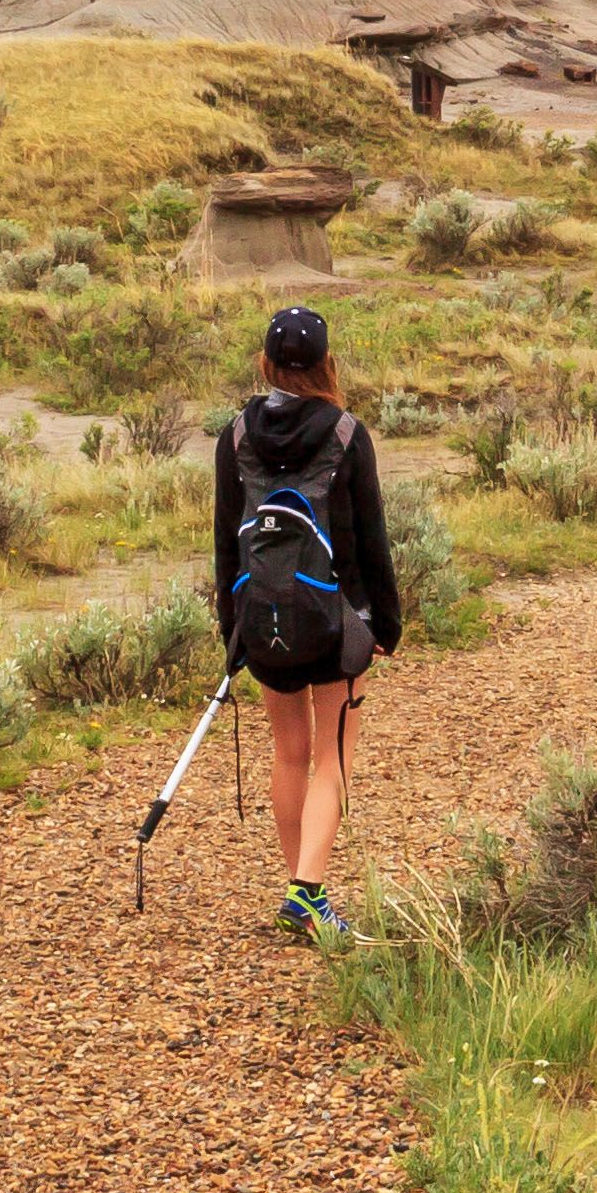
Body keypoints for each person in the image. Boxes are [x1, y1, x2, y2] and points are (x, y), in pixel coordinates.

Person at [211, 301, 400, 945]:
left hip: (262, 618)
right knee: (332, 756)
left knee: (288, 752)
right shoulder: (346, 433)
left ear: (266, 363)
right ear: (326, 364)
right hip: (335, 620)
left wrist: (231, 624)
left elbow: (224, 539)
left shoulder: (235, 434)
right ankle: (308, 892)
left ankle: (300, 886)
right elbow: (372, 539)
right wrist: (386, 625)